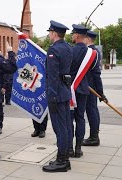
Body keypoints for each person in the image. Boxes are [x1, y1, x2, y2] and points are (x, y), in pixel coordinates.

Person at [42, 20, 72, 172]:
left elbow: (52, 76)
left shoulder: (54, 50)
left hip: (57, 94)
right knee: (65, 127)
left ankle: (61, 161)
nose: (48, 35)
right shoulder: (68, 47)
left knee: (60, 128)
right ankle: (65, 158)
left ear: (54, 33)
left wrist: (52, 97)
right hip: (65, 91)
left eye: (49, 32)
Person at [67, 24, 91, 158]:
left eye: (72, 34)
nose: (71, 36)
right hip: (83, 89)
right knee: (80, 118)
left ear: (76, 35)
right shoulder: (91, 53)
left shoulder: (70, 51)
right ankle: (78, 149)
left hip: (70, 89)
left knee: (69, 119)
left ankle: (69, 149)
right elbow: (93, 72)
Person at [83, 30, 107, 146]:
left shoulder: (91, 52)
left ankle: (94, 137)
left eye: (84, 37)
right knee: (92, 110)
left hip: (90, 87)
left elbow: (96, 74)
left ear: (87, 38)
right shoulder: (93, 51)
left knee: (91, 111)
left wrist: (100, 92)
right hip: (90, 86)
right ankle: (94, 136)